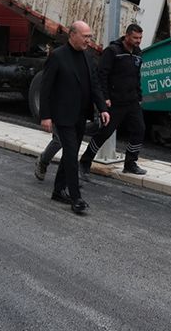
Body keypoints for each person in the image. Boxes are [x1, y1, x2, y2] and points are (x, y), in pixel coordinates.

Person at [39, 21, 109, 214]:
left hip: (80, 115)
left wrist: (102, 108)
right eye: (85, 36)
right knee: (71, 154)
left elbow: (95, 86)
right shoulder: (57, 56)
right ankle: (76, 198)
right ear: (73, 35)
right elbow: (46, 88)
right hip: (63, 115)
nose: (89, 40)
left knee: (71, 152)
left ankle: (58, 190)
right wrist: (45, 116)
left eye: (90, 36)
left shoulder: (88, 57)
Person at [79, 24, 148, 178]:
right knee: (104, 133)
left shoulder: (137, 53)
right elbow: (101, 75)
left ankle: (130, 163)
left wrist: (139, 96)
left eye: (140, 38)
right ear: (127, 36)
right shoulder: (113, 51)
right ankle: (84, 162)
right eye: (135, 38)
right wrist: (105, 98)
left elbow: (137, 77)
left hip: (132, 101)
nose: (138, 41)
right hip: (115, 102)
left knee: (139, 130)